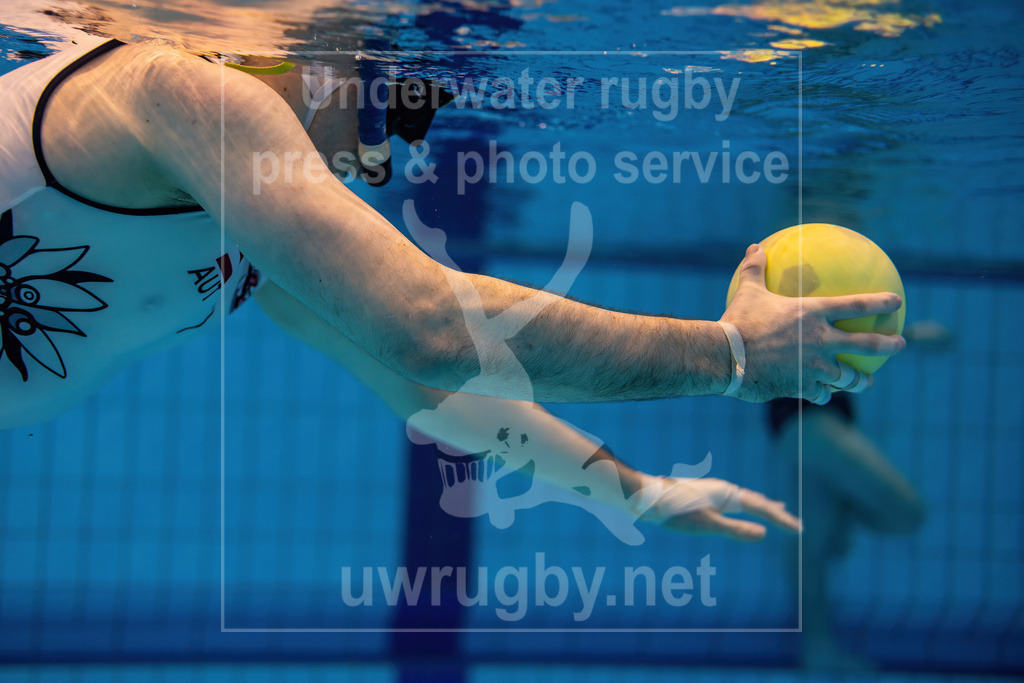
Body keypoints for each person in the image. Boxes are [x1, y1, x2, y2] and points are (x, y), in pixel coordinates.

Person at [0, 35, 904, 540]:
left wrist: (635, 493)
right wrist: (731, 355)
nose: (386, 157)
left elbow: (427, 386)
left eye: (417, 119)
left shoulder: (252, 200)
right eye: (394, 104)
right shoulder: (175, 92)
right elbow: (427, 328)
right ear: (306, 48)